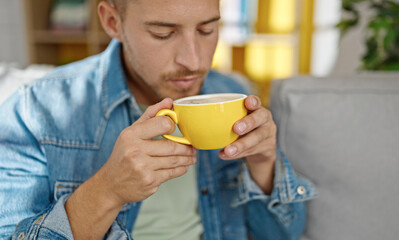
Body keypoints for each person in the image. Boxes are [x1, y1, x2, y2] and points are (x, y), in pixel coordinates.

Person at [0, 0, 316, 239]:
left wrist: (264, 165)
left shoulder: (230, 94)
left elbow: (282, 234)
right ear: (113, 22)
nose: (193, 61)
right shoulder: (34, 111)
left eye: (207, 29)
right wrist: (108, 190)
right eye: (163, 34)